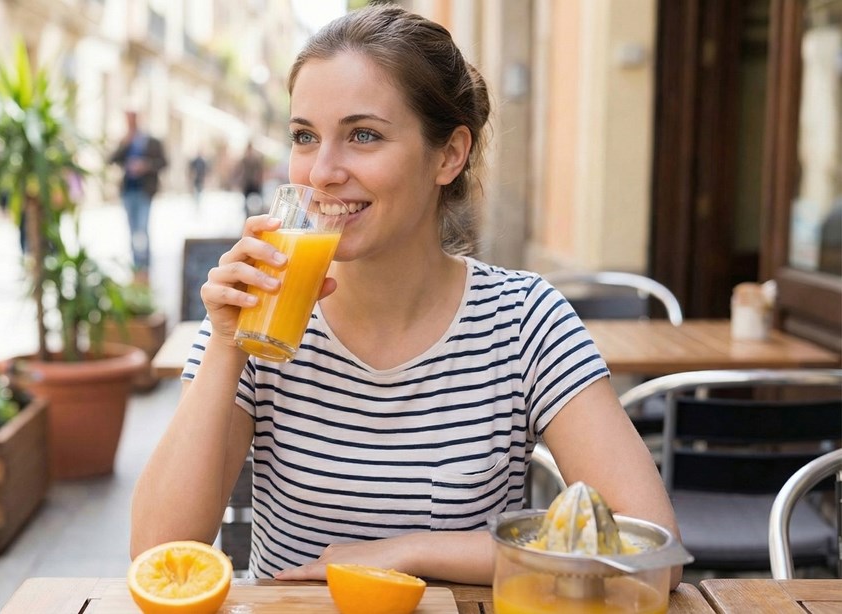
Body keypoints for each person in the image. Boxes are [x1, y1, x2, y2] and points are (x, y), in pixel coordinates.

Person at [130, 5, 681, 585]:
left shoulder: (522, 321)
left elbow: (651, 554)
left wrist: (407, 552)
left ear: (448, 155)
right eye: (304, 136)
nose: (321, 172)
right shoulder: (257, 315)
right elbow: (154, 556)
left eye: (363, 135)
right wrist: (223, 345)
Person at [109, 110, 167, 278]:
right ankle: (136, 266)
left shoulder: (151, 140)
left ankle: (146, 266)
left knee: (142, 229)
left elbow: (163, 162)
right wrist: (124, 143)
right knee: (132, 229)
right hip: (128, 191)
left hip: (144, 191)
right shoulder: (126, 140)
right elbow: (112, 159)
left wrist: (145, 165)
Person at [236, 142, 265, 217]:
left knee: (257, 200)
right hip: (247, 183)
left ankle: (256, 215)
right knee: (247, 201)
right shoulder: (244, 159)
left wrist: (259, 180)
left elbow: (260, 170)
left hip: (254, 183)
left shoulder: (255, 159)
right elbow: (240, 171)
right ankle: (248, 215)